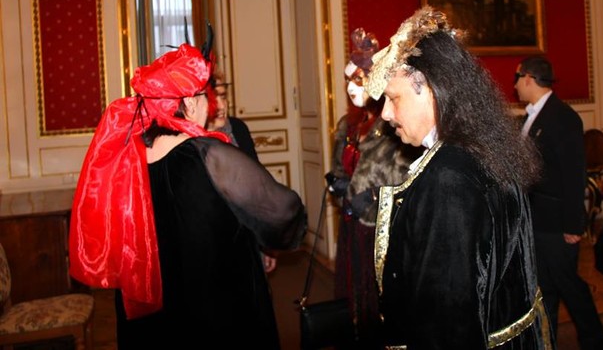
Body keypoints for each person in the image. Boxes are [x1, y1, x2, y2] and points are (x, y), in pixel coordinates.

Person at [68, 43, 306, 349]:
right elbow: (282, 209)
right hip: (214, 307)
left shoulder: (130, 155)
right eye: (206, 98)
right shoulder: (210, 155)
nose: (211, 107)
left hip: (157, 312)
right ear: (190, 103)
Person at [364, 6, 552, 349]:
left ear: (430, 89)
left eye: (392, 98)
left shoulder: (448, 178)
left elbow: (447, 319)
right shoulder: (485, 147)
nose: (386, 114)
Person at [328, 28, 421, 348]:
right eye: (348, 81)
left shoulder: (395, 124)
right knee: (354, 290)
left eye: (359, 80)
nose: (352, 88)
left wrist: (374, 197)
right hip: (352, 223)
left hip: (382, 228)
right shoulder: (347, 125)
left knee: (381, 296)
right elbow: (339, 167)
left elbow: (408, 177)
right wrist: (338, 183)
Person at [514, 56, 603, 350]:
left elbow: (574, 174)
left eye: (517, 78)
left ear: (528, 78)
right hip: (537, 220)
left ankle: (596, 343)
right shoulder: (529, 117)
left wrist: (573, 224)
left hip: (557, 224)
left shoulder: (563, 117)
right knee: (545, 290)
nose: (515, 85)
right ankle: (546, 341)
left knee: (570, 287)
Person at [207, 68, 277, 273]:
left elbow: (258, 187)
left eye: (223, 96)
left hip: (248, 235)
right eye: (213, 99)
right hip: (213, 244)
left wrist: (266, 243)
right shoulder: (190, 141)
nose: (221, 106)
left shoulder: (238, 128)